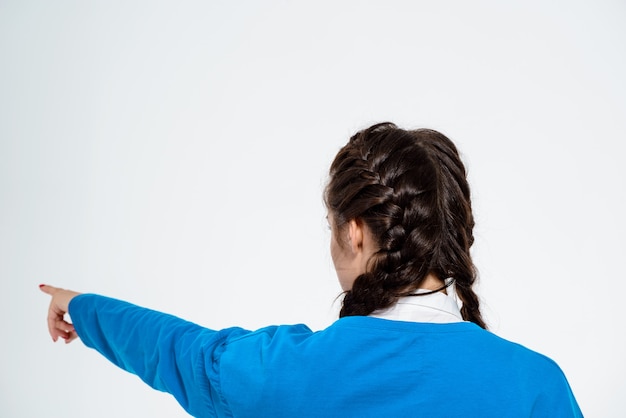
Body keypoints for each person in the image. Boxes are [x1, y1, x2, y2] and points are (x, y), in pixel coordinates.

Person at [41, 122, 583, 417]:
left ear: (352, 229)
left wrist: (85, 309)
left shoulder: (281, 371)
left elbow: (182, 353)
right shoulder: (536, 384)